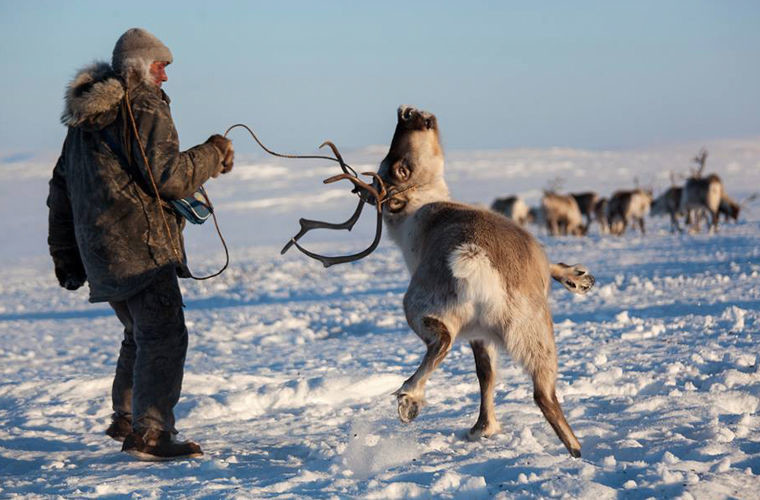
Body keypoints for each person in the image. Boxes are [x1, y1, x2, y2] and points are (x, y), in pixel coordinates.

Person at [47, 28, 234, 460]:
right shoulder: (142, 104)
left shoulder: (84, 121)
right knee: (165, 334)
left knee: (140, 333)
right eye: (159, 67)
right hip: (141, 249)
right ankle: (151, 435)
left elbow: (61, 190)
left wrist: (66, 257)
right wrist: (213, 151)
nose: (164, 78)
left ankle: (128, 419)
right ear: (137, 69)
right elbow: (169, 178)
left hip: (101, 254)